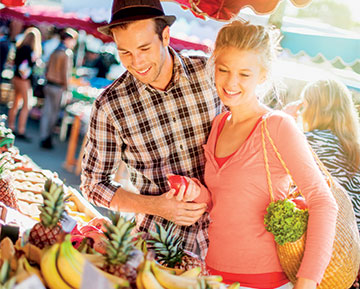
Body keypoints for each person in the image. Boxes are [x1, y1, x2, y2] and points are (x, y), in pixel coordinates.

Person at [167, 20, 338, 289]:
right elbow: (223, 203)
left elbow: (323, 202)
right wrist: (196, 192)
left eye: (244, 74)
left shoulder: (277, 126)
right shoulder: (218, 125)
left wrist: (306, 284)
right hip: (212, 276)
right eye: (223, 70)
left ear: (263, 75)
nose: (231, 82)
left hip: (265, 282)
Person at [80, 0, 222, 259]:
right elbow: (93, 185)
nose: (136, 62)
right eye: (125, 52)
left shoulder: (209, 73)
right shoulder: (109, 105)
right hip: (157, 247)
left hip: (227, 236)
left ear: (165, 36)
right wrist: (156, 206)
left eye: (144, 48)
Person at [286, 79, 360, 232]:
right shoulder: (354, 148)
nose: (301, 112)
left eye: (304, 105)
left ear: (314, 109)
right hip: (350, 243)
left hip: (321, 234)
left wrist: (284, 121)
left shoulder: (312, 141)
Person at [39, 28, 78, 149]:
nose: (74, 43)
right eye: (73, 40)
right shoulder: (66, 53)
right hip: (58, 87)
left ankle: (44, 136)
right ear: (68, 39)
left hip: (49, 84)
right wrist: (67, 89)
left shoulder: (55, 50)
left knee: (47, 112)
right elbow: (66, 74)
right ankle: (47, 139)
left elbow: (46, 67)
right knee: (53, 114)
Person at [7, 27, 42, 141]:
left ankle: (10, 126)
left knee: (15, 102)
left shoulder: (19, 47)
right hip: (24, 80)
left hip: (16, 77)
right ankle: (21, 130)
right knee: (26, 105)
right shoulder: (30, 51)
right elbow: (29, 67)